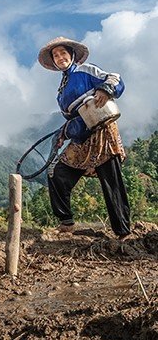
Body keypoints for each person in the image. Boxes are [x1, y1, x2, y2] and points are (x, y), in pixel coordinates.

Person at [37, 35, 130, 238]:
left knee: (111, 182)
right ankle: (66, 222)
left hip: (102, 130)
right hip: (81, 139)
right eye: (55, 55)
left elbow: (115, 78)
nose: (60, 57)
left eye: (63, 53)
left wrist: (105, 90)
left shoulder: (85, 70)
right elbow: (72, 118)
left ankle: (123, 232)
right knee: (56, 174)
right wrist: (63, 132)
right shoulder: (61, 91)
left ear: (71, 55)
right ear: (53, 61)